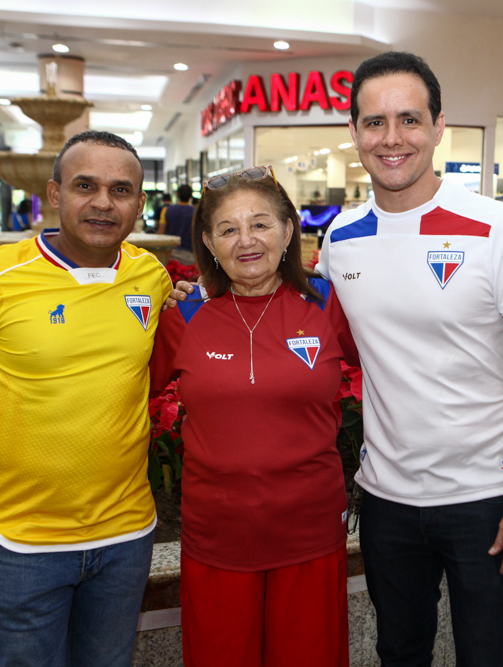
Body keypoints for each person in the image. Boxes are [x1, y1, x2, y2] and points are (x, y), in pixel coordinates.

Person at [316, 51, 503, 666]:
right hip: (387, 499)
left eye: (409, 119)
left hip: (486, 498)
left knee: (489, 656)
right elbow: (314, 323)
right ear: (354, 133)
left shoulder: (497, 228)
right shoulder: (339, 238)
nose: (392, 138)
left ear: (438, 125)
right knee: (399, 654)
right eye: (374, 122)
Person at [0, 130, 176, 667]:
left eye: (121, 189)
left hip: (126, 535)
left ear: (138, 203)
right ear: (55, 193)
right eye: (86, 185)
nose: (104, 202)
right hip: (22, 542)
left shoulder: (149, 276)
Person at [149, 166, 358, 667]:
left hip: (309, 532)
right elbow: (126, 395)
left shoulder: (326, 303)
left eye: (261, 224)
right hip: (218, 538)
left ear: (288, 231)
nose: (247, 241)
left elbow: (399, 366)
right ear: (208, 242)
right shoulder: (184, 315)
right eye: (228, 229)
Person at [158, 184, 197, 264]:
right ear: (191, 196)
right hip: (190, 256)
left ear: (177, 194)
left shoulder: (166, 210)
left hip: (170, 254)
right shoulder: (196, 213)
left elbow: (160, 234)